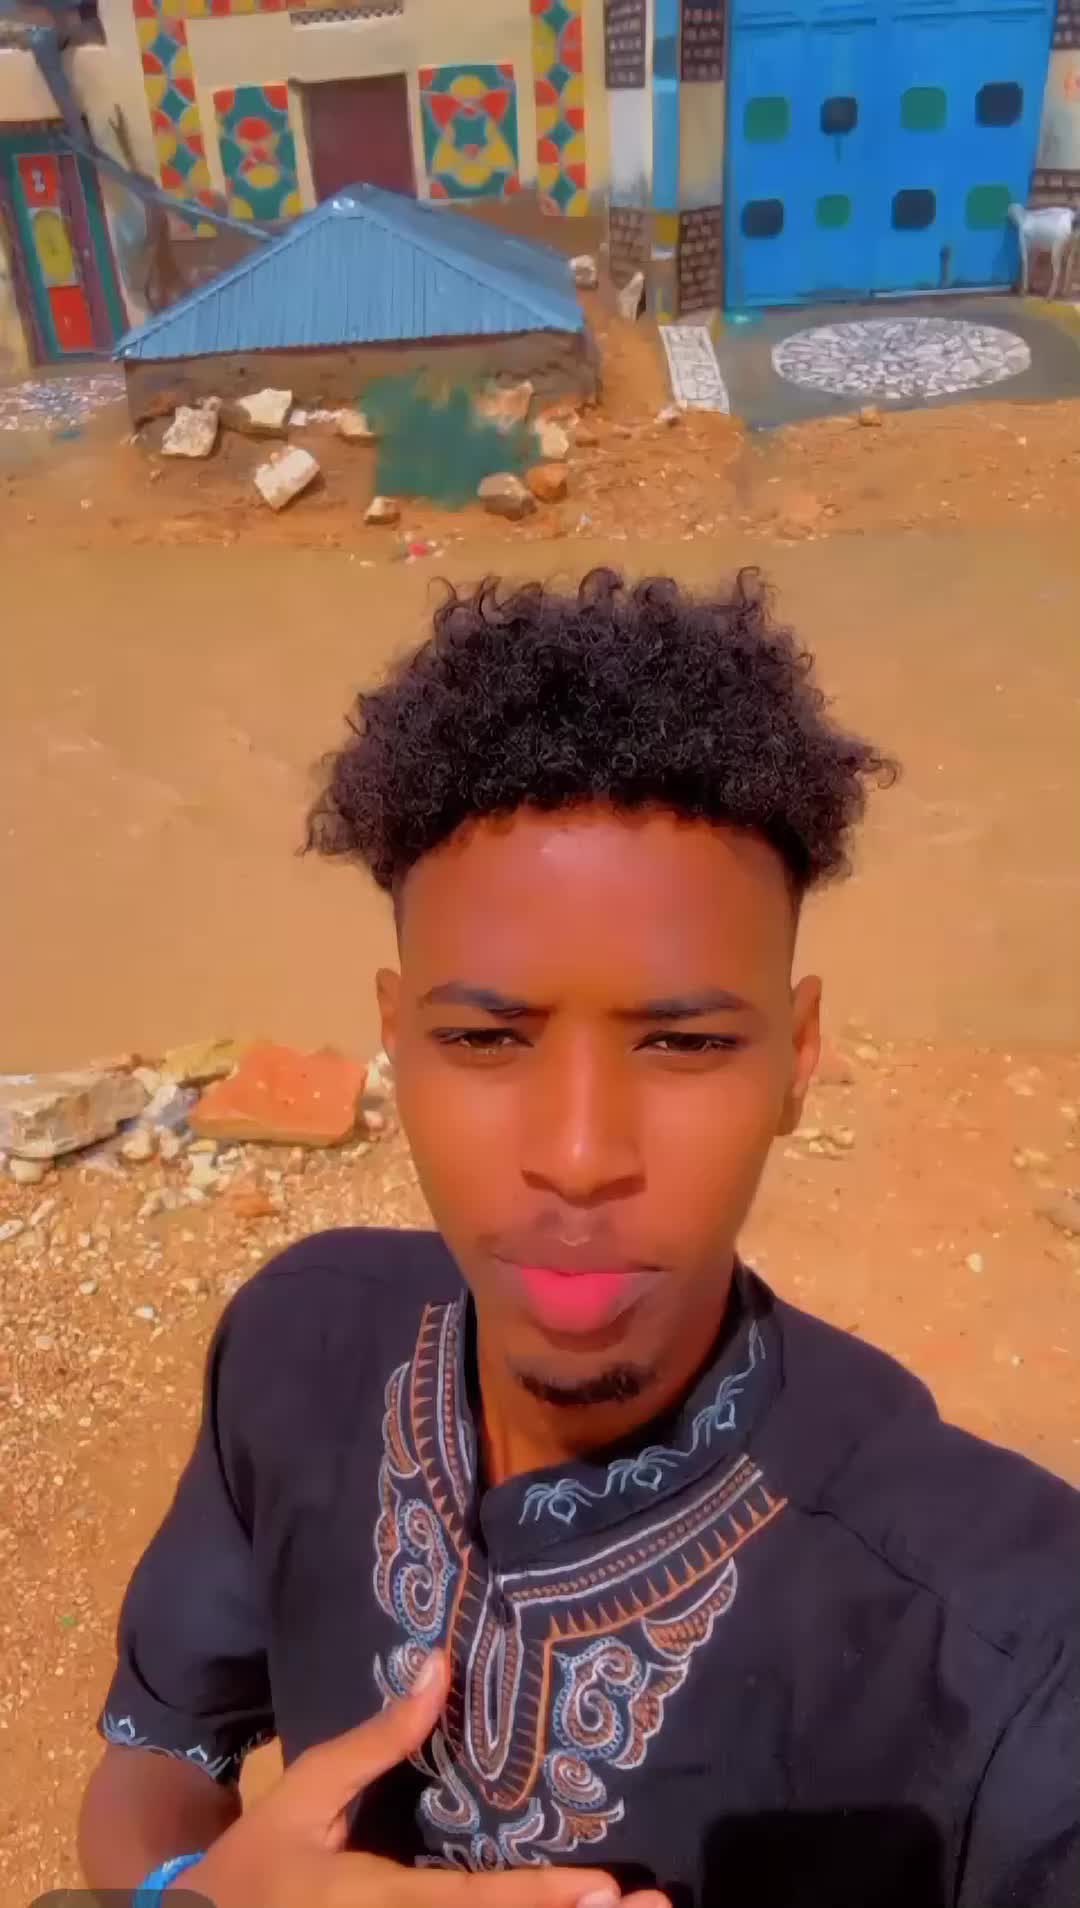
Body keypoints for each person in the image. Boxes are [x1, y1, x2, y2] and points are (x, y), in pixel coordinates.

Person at [79, 571, 1080, 1908]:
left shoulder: (1009, 1634)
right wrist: (188, 1897)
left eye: (686, 1044)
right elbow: (156, 1760)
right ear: (394, 1037)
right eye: (484, 1039)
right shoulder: (298, 1345)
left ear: (798, 1058)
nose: (580, 1154)